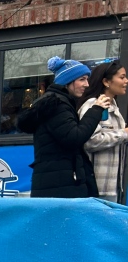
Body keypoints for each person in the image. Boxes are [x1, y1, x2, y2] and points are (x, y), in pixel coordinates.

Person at [18, 56, 111, 198]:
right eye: (82, 79)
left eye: (87, 79)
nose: (87, 84)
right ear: (67, 81)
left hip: (58, 184)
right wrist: (96, 109)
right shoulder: (57, 104)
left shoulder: (60, 102)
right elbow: (74, 137)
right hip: (61, 187)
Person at [79, 60, 128, 202]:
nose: (126, 81)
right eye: (122, 77)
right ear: (106, 82)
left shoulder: (114, 106)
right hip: (97, 188)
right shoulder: (93, 105)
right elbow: (90, 141)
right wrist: (124, 134)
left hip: (114, 187)